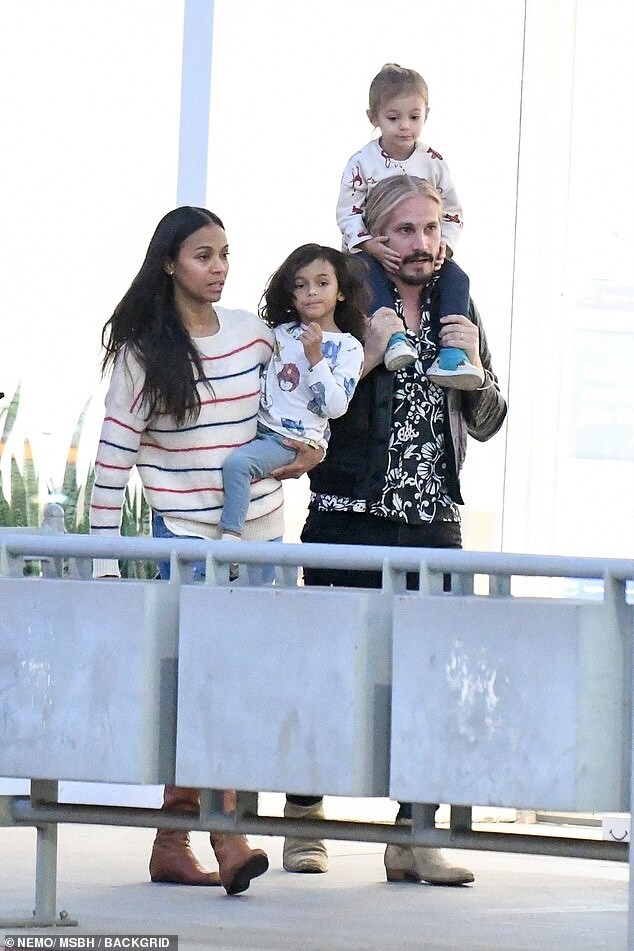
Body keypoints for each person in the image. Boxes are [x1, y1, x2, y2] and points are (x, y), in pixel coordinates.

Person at [89, 205, 322, 895]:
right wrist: (102, 566)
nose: (219, 268)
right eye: (203, 255)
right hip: (188, 544)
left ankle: (171, 841)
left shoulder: (253, 336)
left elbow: (299, 403)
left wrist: (310, 449)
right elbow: (110, 464)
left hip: (263, 542)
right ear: (169, 263)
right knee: (208, 686)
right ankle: (227, 835)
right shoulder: (141, 355)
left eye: (224, 254)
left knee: (238, 688)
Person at [283, 175, 507, 884]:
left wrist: (476, 371)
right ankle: (303, 818)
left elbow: (490, 421)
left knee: (429, 681)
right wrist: (372, 353)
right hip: (348, 515)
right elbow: (301, 402)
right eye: (406, 230)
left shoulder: (457, 302)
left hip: (434, 523)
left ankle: (414, 836)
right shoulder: (344, 301)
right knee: (329, 670)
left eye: (431, 228)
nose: (422, 244)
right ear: (376, 234)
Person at [336, 63, 483, 389]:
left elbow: (453, 211)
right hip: (366, 252)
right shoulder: (362, 163)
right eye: (393, 118)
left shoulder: (433, 161)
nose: (405, 126)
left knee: (458, 276)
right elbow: (347, 211)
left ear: (426, 114)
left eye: (414, 117)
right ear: (373, 118)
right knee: (365, 272)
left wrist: (445, 245)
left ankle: (453, 355)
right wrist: (368, 244)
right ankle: (393, 338)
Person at [219, 244, 365, 568]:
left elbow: (336, 407)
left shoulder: (349, 347)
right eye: (301, 285)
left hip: (288, 439)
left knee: (237, 467)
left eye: (322, 283)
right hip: (254, 423)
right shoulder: (279, 333)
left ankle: (229, 547)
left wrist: (316, 359)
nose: (311, 291)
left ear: (341, 291)